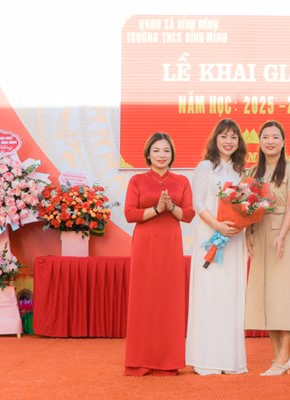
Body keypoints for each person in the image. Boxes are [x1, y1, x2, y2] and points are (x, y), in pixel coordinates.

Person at [123, 132, 195, 376]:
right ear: (148, 154)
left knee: (168, 299)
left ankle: (168, 361)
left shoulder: (181, 181)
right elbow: (130, 214)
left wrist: (171, 207)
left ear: (172, 154)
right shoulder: (137, 180)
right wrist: (156, 208)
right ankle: (140, 360)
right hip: (145, 242)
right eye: (156, 150)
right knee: (144, 298)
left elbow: (188, 215)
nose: (161, 155)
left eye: (166, 150)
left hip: (170, 243)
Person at [186, 119, 249, 375]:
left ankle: (229, 360)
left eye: (233, 137)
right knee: (209, 293)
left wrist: (240, 224)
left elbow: (246, 206)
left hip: (234, 240)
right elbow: (198, 204)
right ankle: (206, 359)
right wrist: (218, 226)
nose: (228, 141)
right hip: (210, 236)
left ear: (239, 142)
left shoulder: (241, 172)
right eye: (224, 136)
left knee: (230, 295)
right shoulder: (206, 167)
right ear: (215, 139)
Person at [245, 120, 290, 376]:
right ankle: (278, 356)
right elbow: (246, 205)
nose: (270, 141)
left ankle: (284, 356)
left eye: (275, 137)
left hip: (283, 236)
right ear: (259, 142)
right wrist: (248, 231)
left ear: (283, 141)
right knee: (266, 294)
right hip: (259, 234)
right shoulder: (252, 172)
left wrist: (281, 234)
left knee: (285, 294)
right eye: (265, 137)